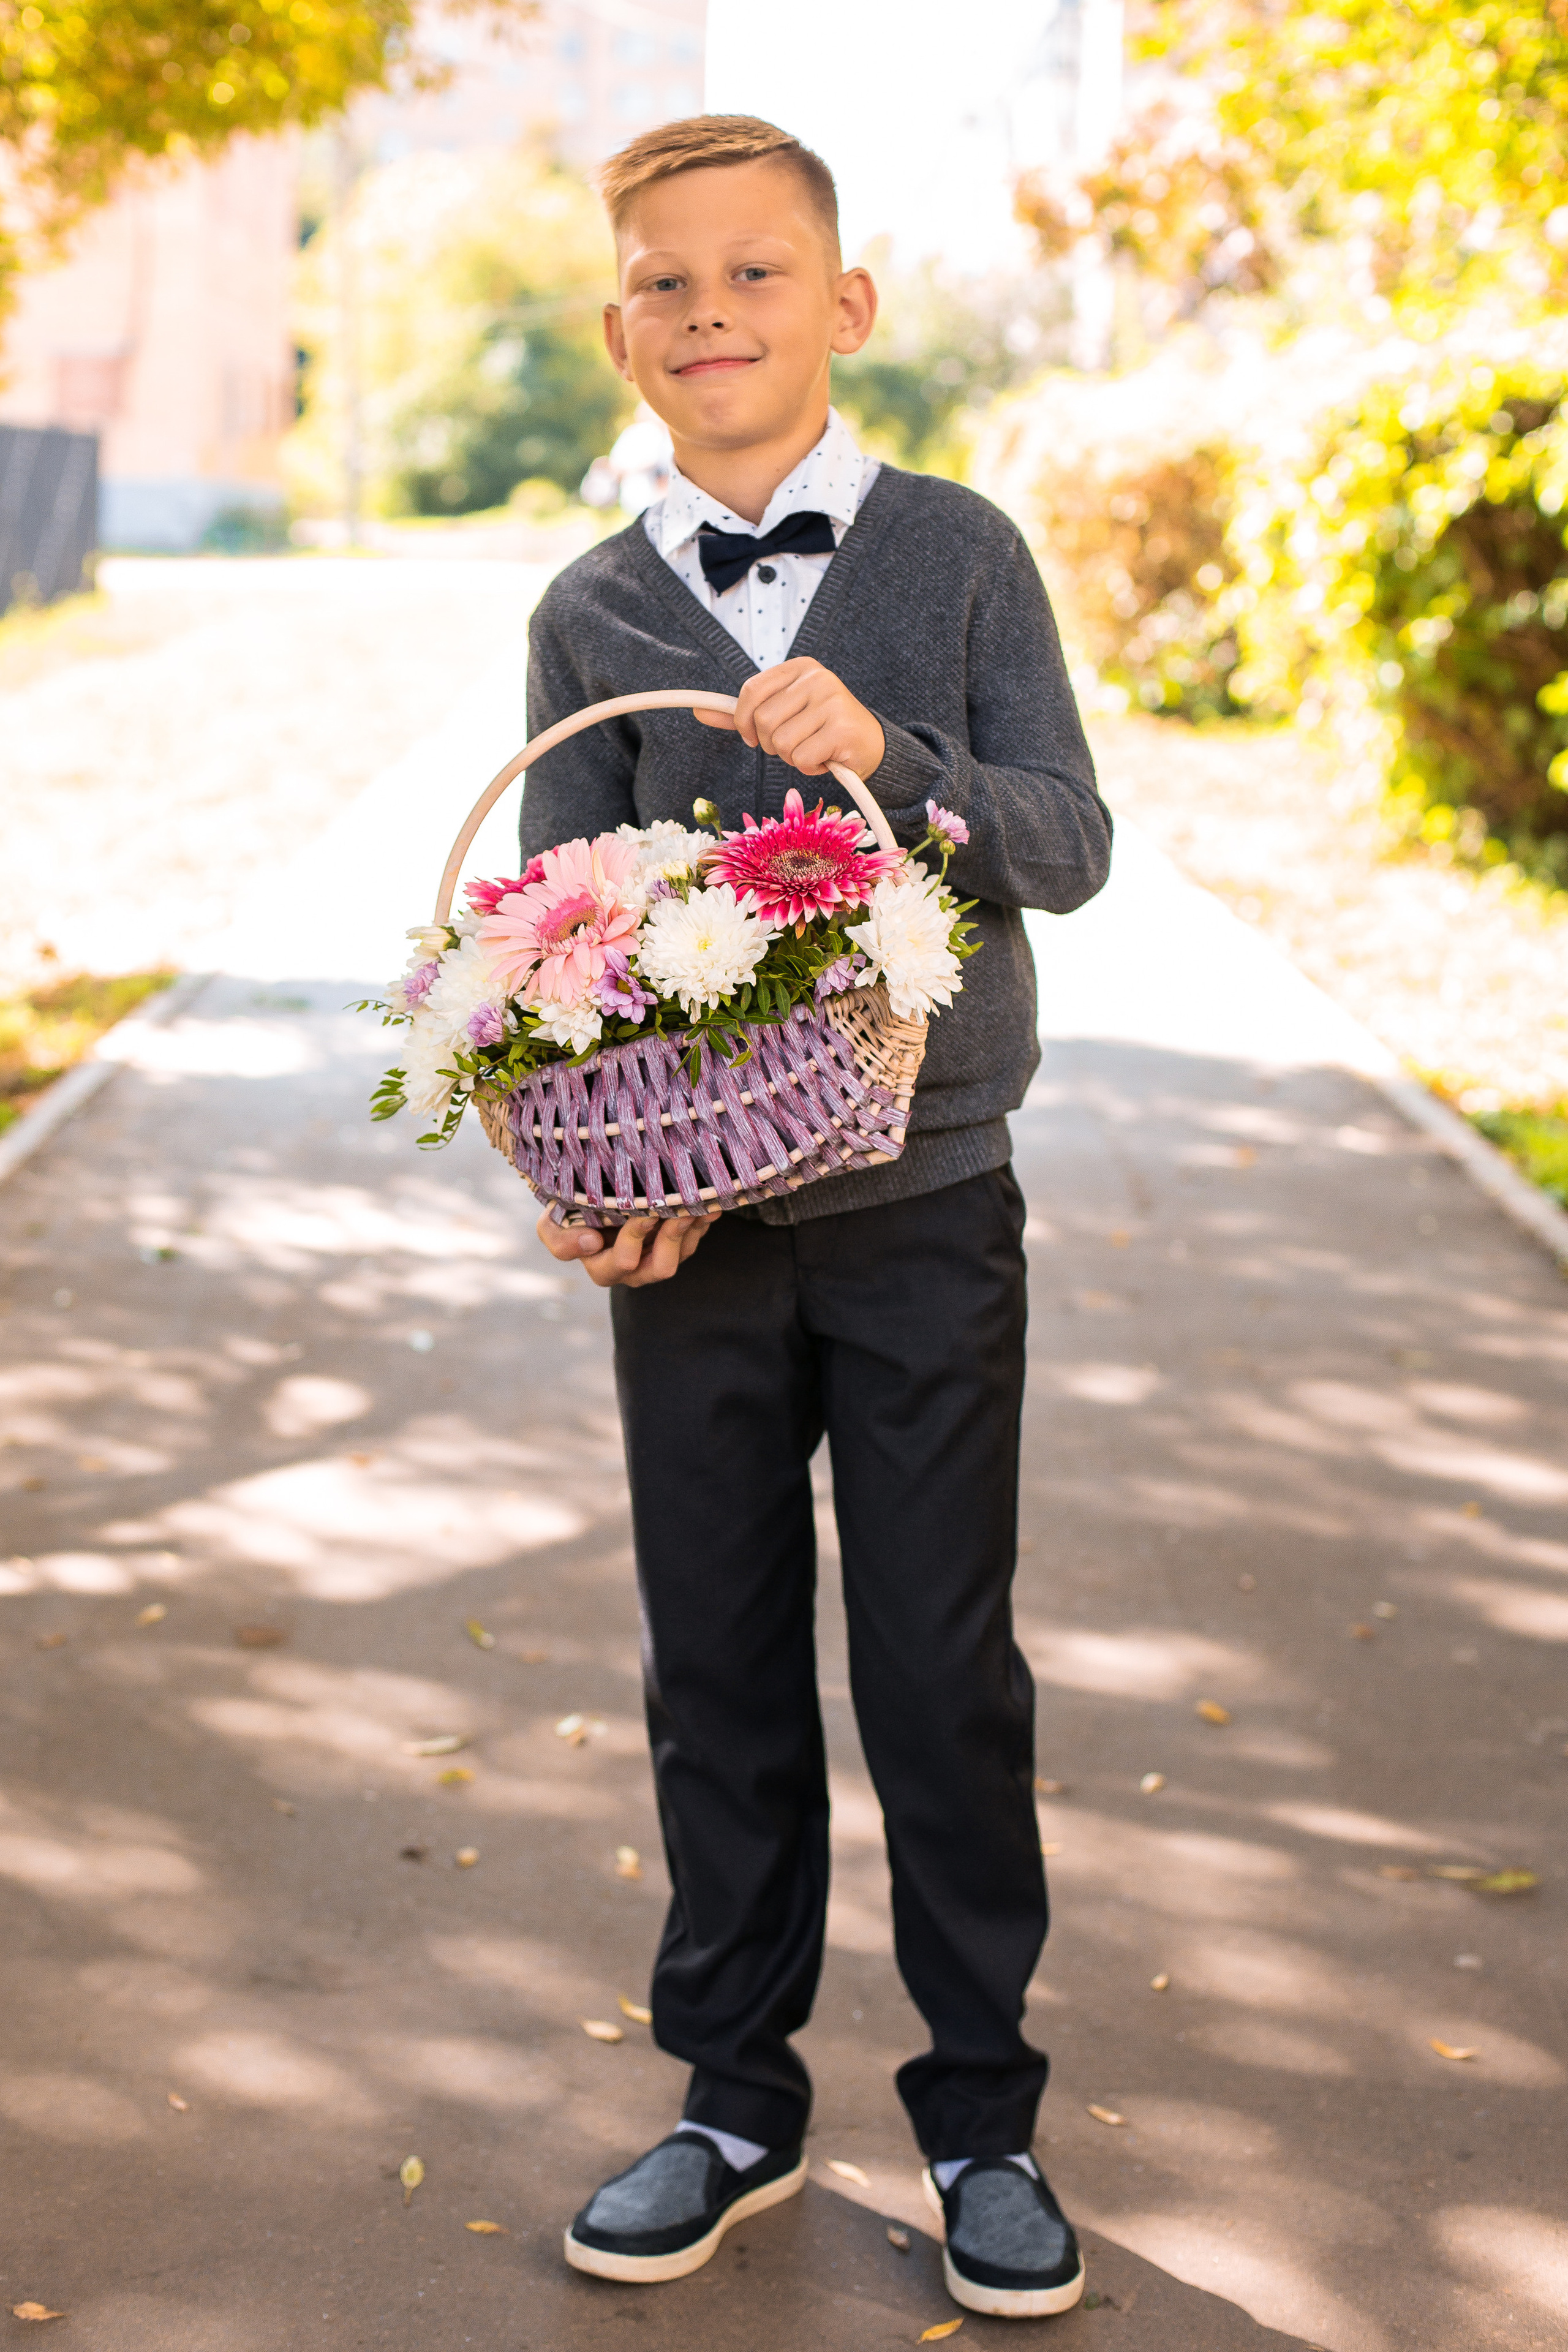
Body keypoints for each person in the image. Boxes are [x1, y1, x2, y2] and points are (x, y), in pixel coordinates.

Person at [520, 113, 1112, 2322]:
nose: (712, 312)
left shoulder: (957, 555)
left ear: (844, 306)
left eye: (755, 272)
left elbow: (1068, 842)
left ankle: (982, 2118)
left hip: (924, 1201)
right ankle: (734, 2100)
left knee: (942, 1662)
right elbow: (548, 937)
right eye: (667, 283)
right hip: (696, 1234)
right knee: (718, 1662)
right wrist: (587, 1178)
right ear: (622, 335)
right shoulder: (588, 611)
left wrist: (899, 765)